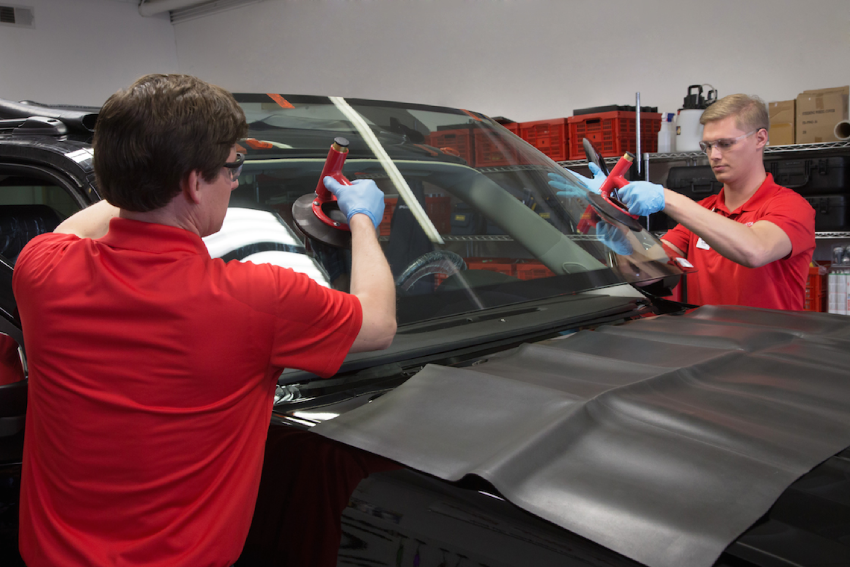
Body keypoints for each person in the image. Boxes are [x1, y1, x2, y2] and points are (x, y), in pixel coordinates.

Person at [12, 74, 397, 567]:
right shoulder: (259, 298)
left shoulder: (41, 268)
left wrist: (145, 174)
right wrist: (363, 220)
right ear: (195, 183)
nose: (235, 182)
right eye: (233, 168)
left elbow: (76, 229)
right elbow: (378, 323)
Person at [566, 94, 816, 310]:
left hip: (769, 348)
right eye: (707, 146)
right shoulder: (704, 211)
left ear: (760, 139)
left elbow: (755, 251)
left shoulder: (791, 206)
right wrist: (622, 235)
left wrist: (667, 198)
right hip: (705, 345)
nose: (714, 155)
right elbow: (652, 274)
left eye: (725, 144)